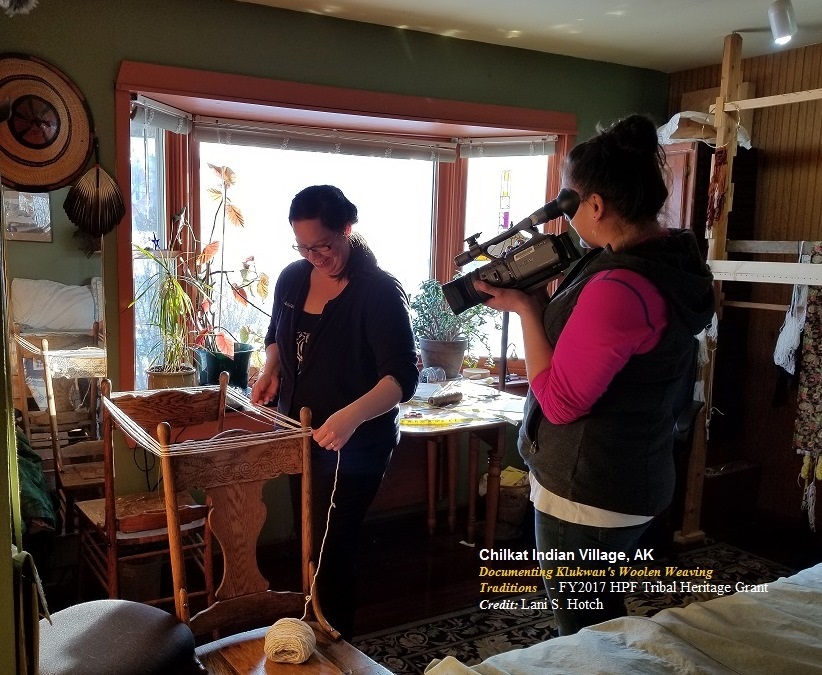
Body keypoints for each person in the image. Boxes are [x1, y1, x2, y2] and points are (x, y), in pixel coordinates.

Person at [474, 114, 715, 635]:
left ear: (597, 205)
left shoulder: (620, 286)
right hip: (634, 470)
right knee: (602, 619)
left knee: (585, 633)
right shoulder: (665, 258)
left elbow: (560, 403)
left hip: (590, 489)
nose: (566, 211)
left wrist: (527, 312)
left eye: (568, 198)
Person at [251, 185, 419, 640]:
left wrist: (350, 417)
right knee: (309, 535)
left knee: (331, 545)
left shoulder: (378, 292)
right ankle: (312, 628)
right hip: (298, 431)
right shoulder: (292, 277)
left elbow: (402, 378)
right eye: (304, 247)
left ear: (347, 229)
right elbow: (277, 335)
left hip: (356, 443)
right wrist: (272, 368)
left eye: (323, 245)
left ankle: (335, 640)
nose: (314, 256)